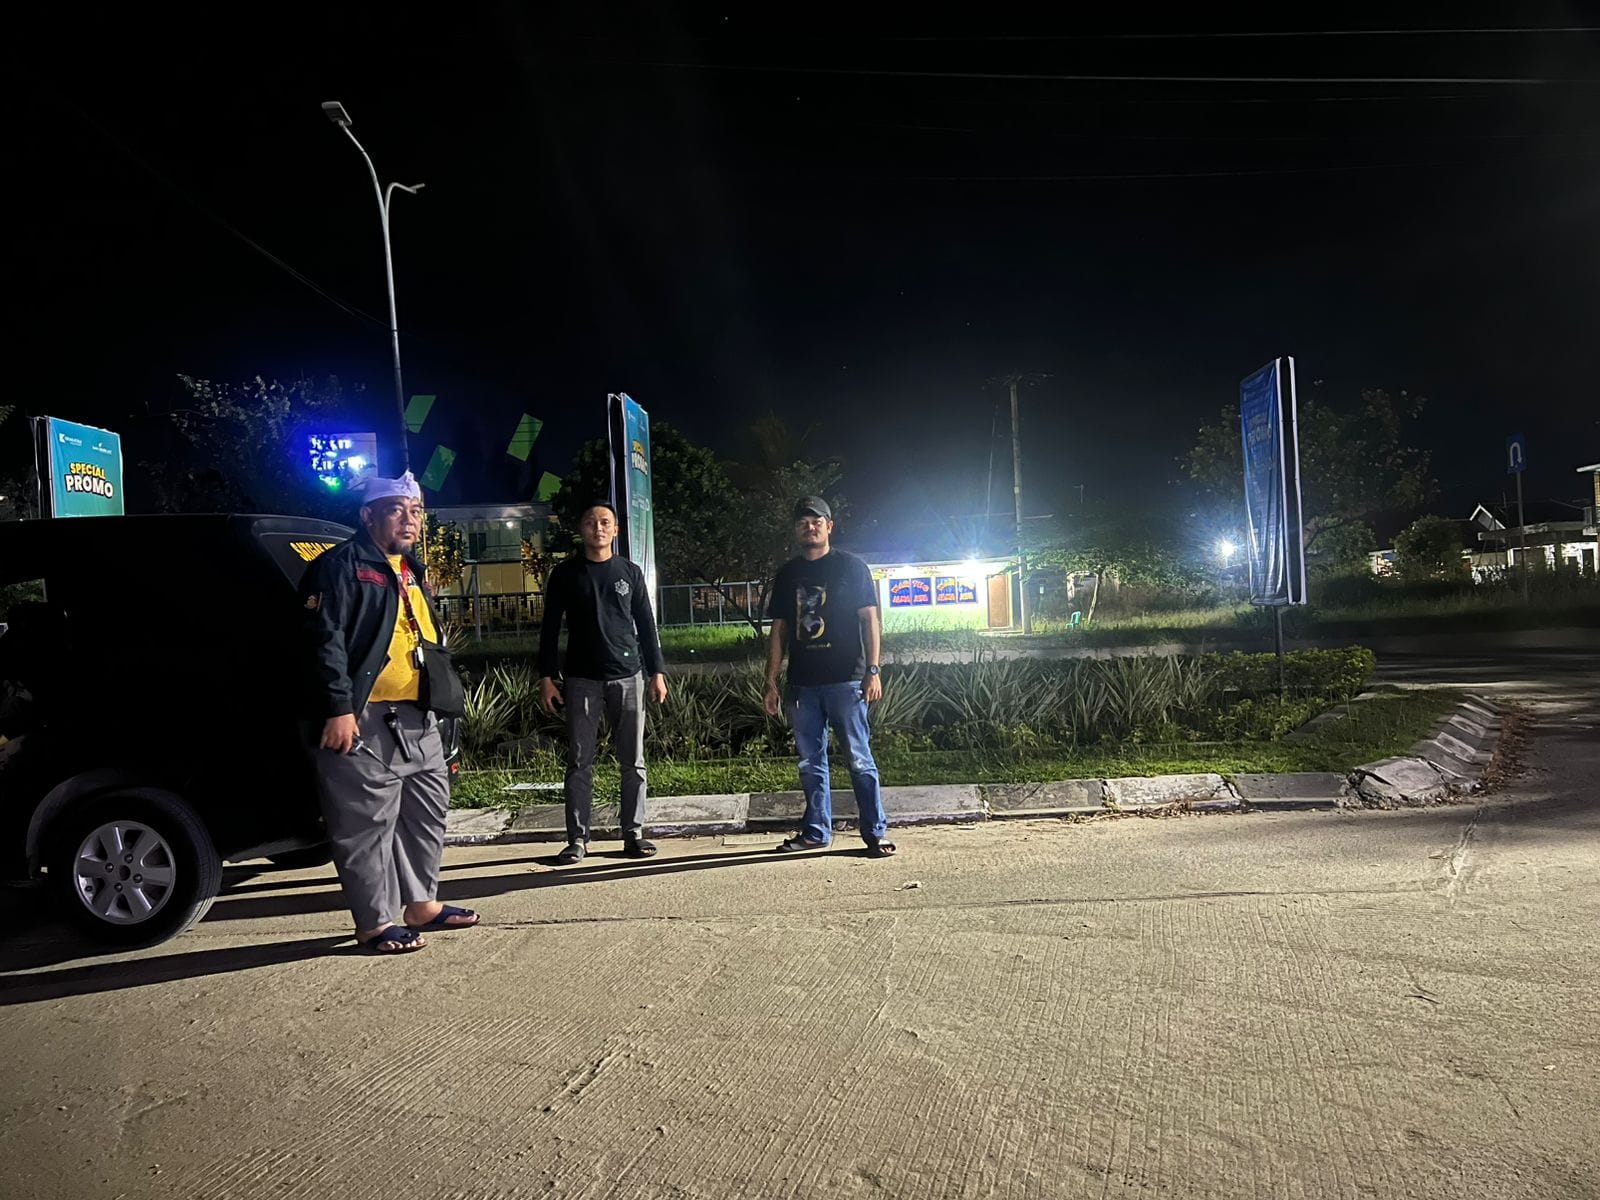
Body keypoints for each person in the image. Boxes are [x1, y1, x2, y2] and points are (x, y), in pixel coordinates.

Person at [301, 472, 479, 955]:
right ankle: (375, 923)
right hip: (365, 718)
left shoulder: (409, 568)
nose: (409, 520)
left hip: (419, 716)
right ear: (368, 515)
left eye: (415, 511)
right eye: (396, 510)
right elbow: (323, 642)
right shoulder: (340, 566)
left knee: (427, 813)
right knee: (365, 826)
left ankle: (422, 904)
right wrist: (338, 707)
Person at [763, 496, 897, 857]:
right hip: (803, 685)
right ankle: (816, 832)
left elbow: (870, 620)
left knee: (860, 759)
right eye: (803, 523)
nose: (810, 527)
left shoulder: (852, 568)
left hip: (847, 682)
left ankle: (875, 832)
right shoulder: (788, 574)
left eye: (816, 522)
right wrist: (771, 680)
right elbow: (779, 630)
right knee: (810, 763)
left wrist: (873, 670)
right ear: (796, 530)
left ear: (829, 527)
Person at [538, 501, 669, 864]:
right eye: (591, 522)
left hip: (628, 677)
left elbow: (647, 626)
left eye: (605, 522)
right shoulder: (565, 574)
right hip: (581, 679)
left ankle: (633, 834)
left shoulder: (629, 572)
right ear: (581, 529)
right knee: (580, 762)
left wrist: (657, 672)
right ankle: (578, 839)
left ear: (615, 530)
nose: (598, 528)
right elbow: (549, 629)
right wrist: (546, 677)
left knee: (633, 761)